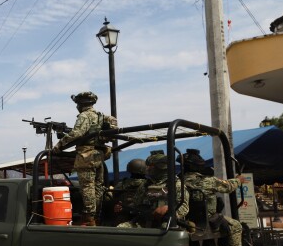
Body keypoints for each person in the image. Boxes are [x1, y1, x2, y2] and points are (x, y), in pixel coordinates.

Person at [179, 148, 250, 246]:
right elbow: (227, 186)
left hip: (186, 220)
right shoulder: (208, 181)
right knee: (236, 226)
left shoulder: (178, 181)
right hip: (207, 219)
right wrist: (239, 180)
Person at [52, 91, 117, 226]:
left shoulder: (84, 115)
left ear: (80, 104)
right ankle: (96, 216)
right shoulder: (100, 116)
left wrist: (59, 144)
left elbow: (77, 133)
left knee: (87, 187)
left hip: (87, 155)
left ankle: (89, 218)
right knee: (98, 187)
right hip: (99, 155)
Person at [119, 150, 189, 228]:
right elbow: (136, 204)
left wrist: (169, 210)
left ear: (161, 167)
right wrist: (124, 207)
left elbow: (184, 207)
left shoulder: (176, 184)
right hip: (144, 221)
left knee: (165, 228)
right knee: (121, 228)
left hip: (168, 222)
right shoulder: (146, 184)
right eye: (147, 166)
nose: (147, 168)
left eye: (151, 166)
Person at [112, 159, 146, 225]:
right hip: (141, 217)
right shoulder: (147, 184)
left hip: (122, 217)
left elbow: (115, 197)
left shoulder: (121, 184)